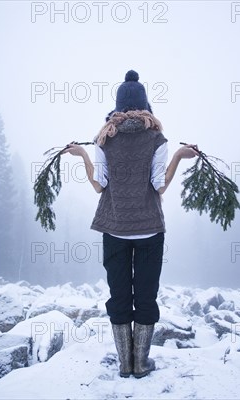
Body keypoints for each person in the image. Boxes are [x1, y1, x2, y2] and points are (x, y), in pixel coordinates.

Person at [64, 70, 198, 378]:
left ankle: (125, 363)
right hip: (150, 230)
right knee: (146, 295)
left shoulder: (103, 139)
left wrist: (82, 154)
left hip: (114, 230)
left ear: (117, 107)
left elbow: (99, 186)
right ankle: (141, 364)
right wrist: (179, 154)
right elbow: (159, 185)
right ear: (145, 105)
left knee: (119, 294)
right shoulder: (156, 139)